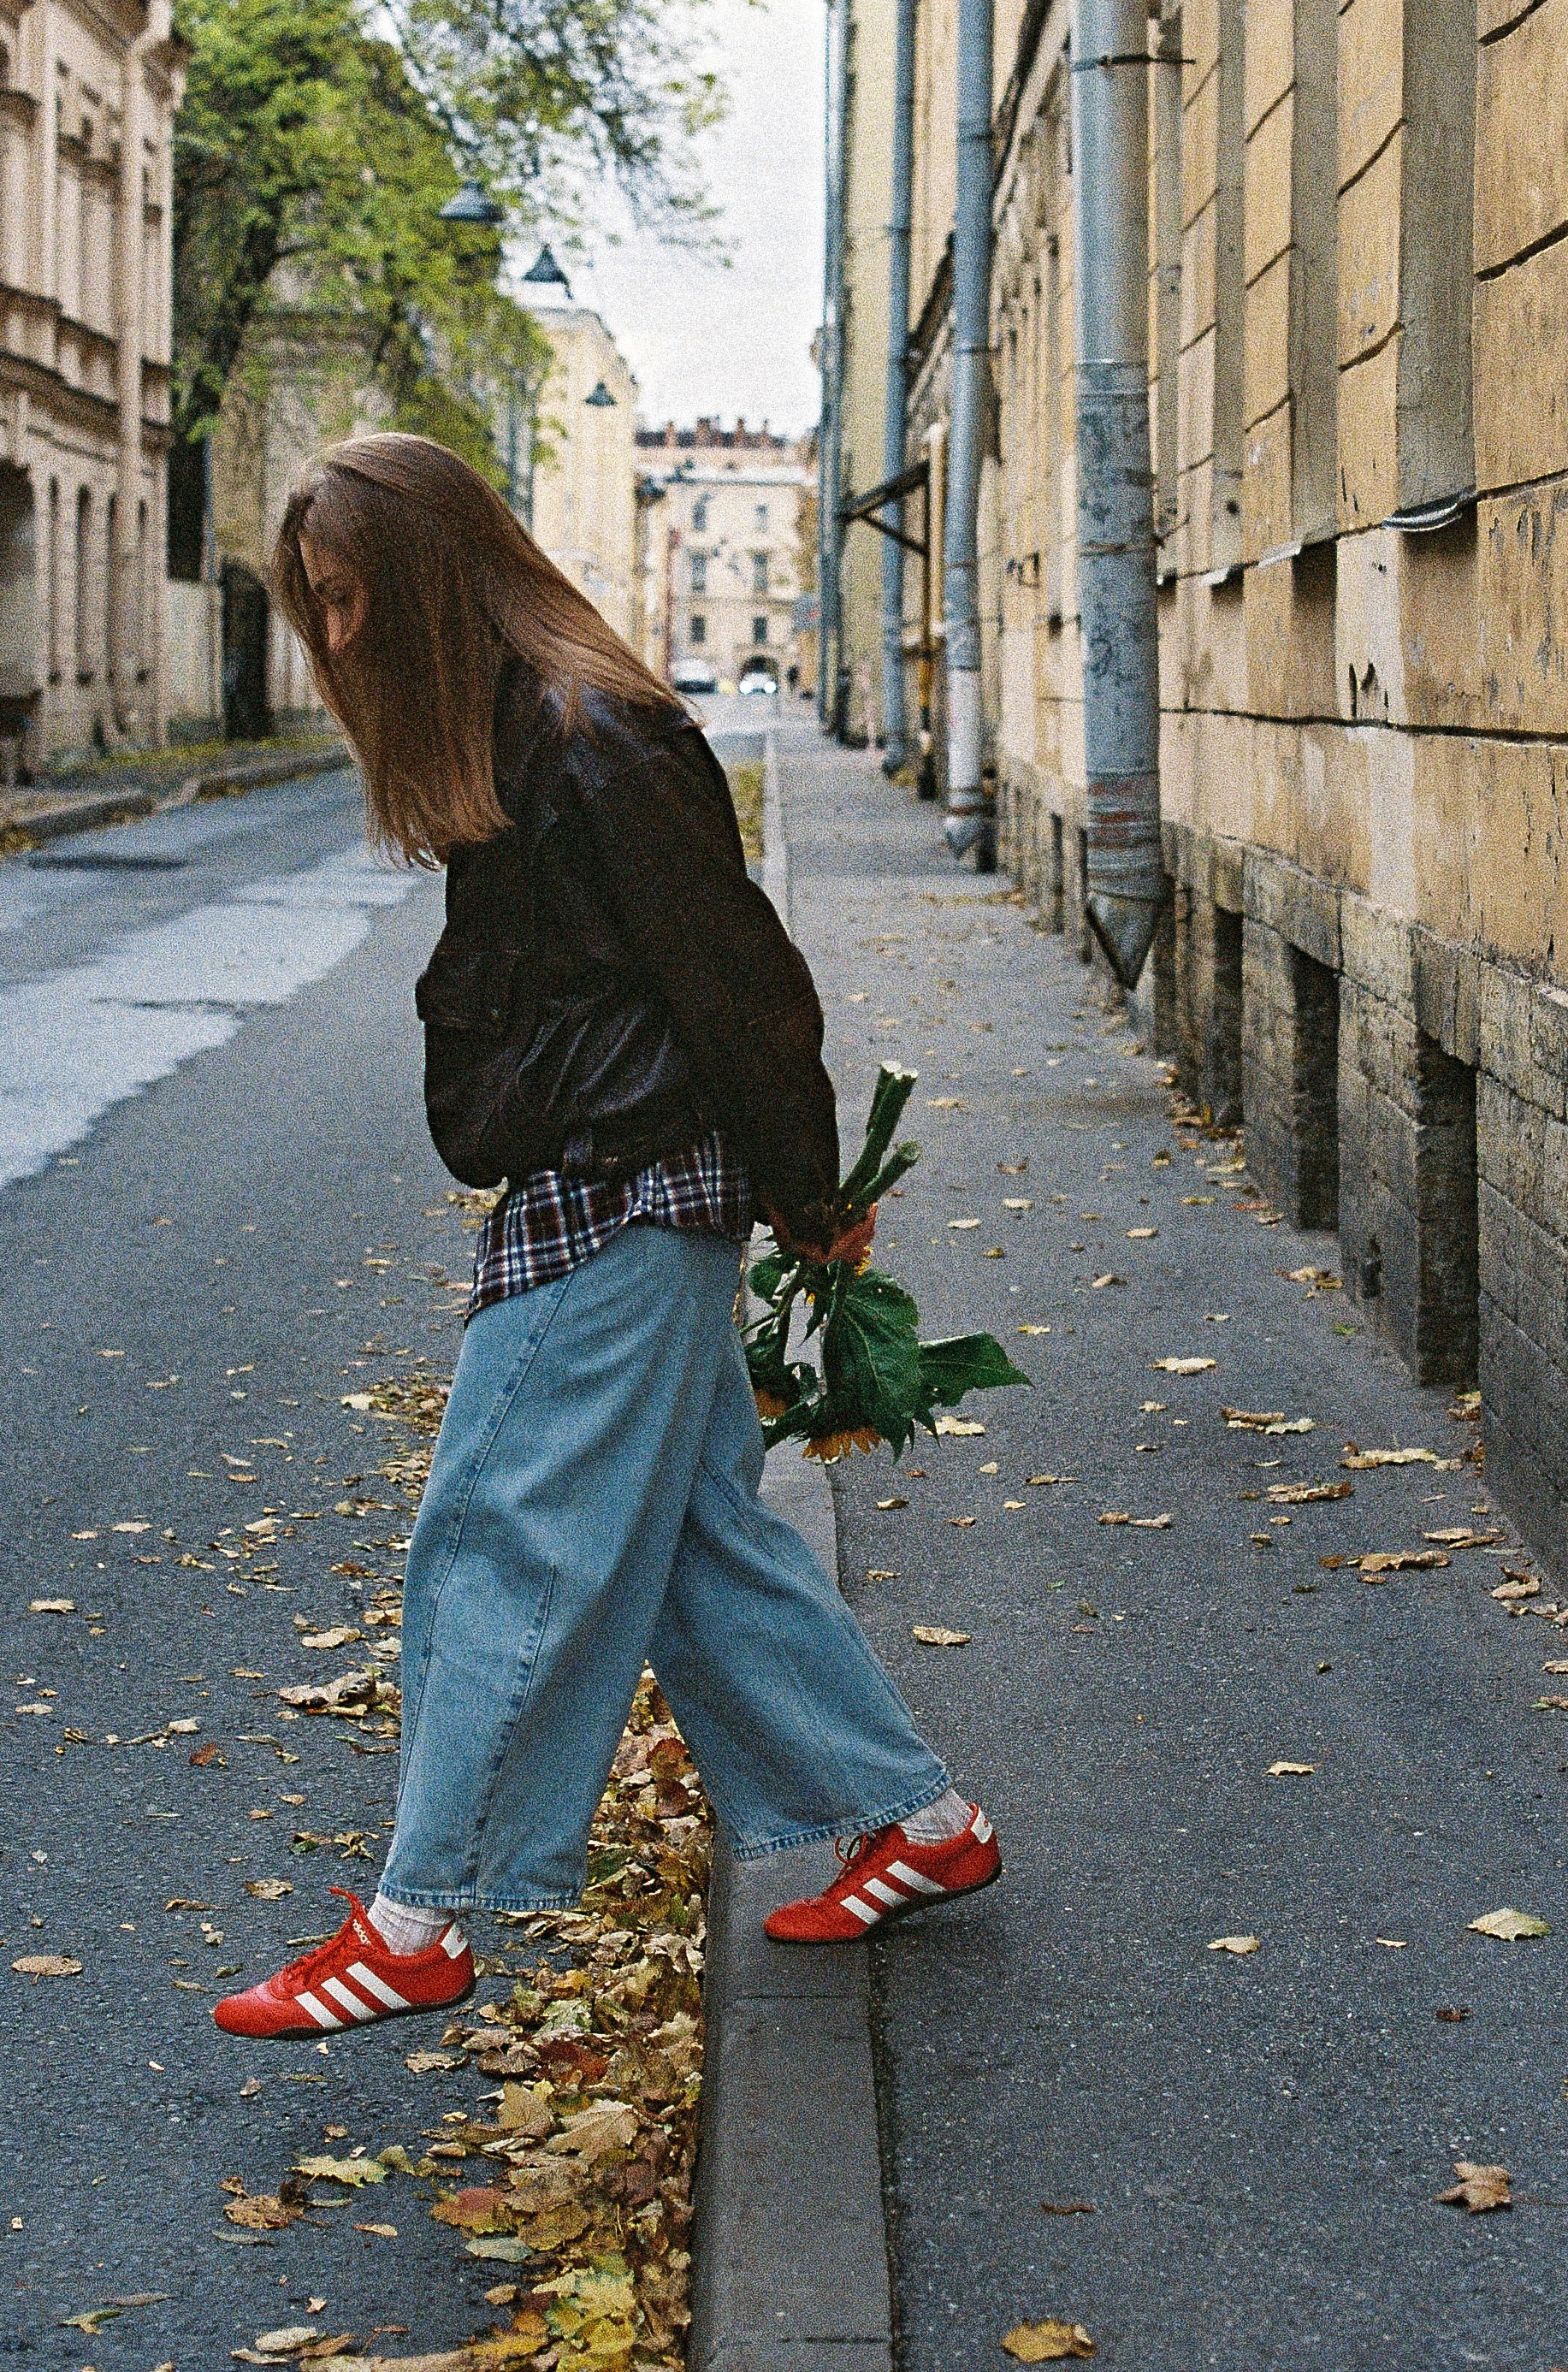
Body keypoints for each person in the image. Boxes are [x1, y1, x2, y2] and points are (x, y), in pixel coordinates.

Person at [214, 435, 997, 2040]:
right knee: (697, 1545)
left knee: (498, 1531)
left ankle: (420, 1916)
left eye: (352, 598)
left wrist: (811, 1198)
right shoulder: (532, 732)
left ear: (431, 580)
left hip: (626, 1184)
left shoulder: (589, 736)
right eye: (319, 606)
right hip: (608, 1174)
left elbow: (742, 983)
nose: (338, 636)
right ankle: (912, 1822)